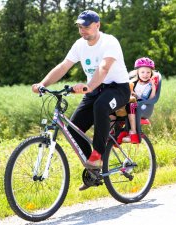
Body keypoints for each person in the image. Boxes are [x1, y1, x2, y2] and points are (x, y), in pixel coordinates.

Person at [32, 10, 130, 190]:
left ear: (97, 25)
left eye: (86, 26)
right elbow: (63, 66)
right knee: (73, 130)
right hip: (95, 89)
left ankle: (98, 154)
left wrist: (89, 87)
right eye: (80, 26)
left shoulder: (110, 42)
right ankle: (94, 171)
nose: (82, 30)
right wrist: (42, 83)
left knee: (101, 106)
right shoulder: (79, 45)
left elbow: (104, 68)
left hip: (118, 88)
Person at [116, 57, 157, 144]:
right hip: (133, 102)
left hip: (144, 106)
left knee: (131, 106)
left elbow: (151, 98)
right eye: (142, 72)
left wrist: (153, 87)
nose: (145, 74)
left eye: (148, 72)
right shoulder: (134, 82)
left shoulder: (150, 85)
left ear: (151, 73)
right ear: (138, 72)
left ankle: (133, 132)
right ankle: (117, 131)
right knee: (117, 106)